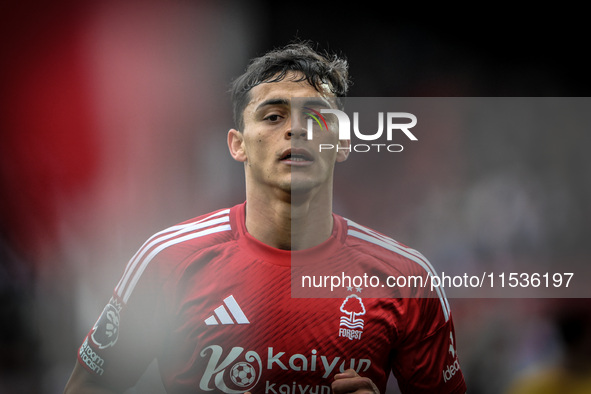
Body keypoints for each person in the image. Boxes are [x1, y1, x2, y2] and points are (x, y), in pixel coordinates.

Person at [64, 41, 467, 393]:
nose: (296, 129)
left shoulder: (408, 279)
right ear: (237, 144)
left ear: (342, 143)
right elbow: (91, 385)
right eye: (273, 116)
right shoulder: (167, 260)